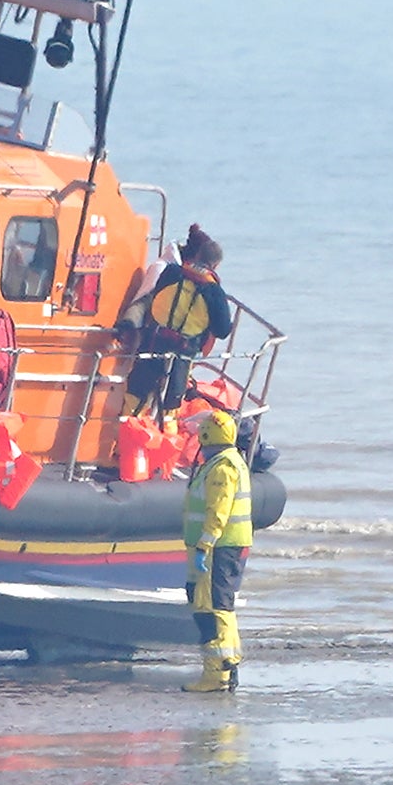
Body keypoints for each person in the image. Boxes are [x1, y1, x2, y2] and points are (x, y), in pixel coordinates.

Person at [182, 407, 256, 694]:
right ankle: (227, 666)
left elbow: (217, 512)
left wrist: (204, 545)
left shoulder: (222, 468)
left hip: (218, 548)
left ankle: (217, 673)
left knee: (212, 608)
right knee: (216, 606)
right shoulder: (228, 462)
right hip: (222, 546)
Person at [125, 227, 236, 412]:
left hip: (153, 343)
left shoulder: (171, 272)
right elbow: (222, 330)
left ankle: (125, 431)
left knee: (134, 398)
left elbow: (156, 296)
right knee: (170, 408)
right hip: (181, 356)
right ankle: (163, 437)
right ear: (216, 266)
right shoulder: (215, 293)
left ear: (197, 255)